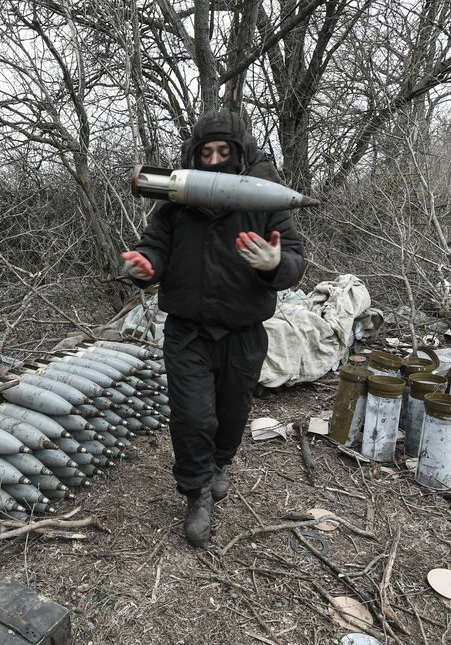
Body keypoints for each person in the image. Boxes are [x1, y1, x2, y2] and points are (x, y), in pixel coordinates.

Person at [121, 111, 306, 546]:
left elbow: (295, 259)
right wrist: (146, 268)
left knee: (232, 414)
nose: (215, 159)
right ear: (194, 157)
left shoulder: (267, 202)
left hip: (243, 332)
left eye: (225, 152)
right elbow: (155, 247)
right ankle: (197, 490)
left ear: (241, 155)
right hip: (187, 330)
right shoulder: (176, 202)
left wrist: (274, 264)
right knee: (192, 416)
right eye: (207, 152)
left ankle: (220, 462)